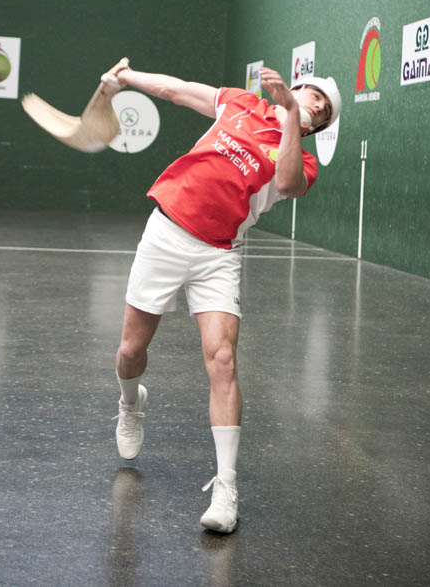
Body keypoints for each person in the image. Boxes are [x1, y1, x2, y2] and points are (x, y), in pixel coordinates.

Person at [103, 62, 342, 534]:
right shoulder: (239, 102)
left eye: (323, 113)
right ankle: (130, 403)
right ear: (296, 87)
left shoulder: (302, 160)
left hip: (218, 255)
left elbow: (288, 183)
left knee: (223, 361)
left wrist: (291, 115)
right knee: (131, 351)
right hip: (166, 233)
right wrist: (126, 78)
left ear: (316, 128)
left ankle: (226, 487)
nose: (317, 108)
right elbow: (175, 88)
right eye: (314, 97)